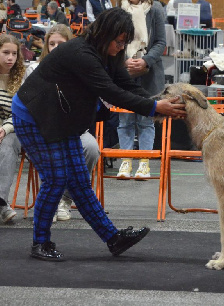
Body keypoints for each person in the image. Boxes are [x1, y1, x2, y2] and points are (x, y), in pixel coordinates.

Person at [11, 7, 186, 261]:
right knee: (56, 179)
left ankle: (114, 239)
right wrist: (153, 107)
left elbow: (123, 83)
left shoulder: (108, 51)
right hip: (33, 115)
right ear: (106, 34)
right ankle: (40, 243)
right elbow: (110, 92)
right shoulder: (80, 53)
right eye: (119, 41)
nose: (121, 47)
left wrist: (155, 103)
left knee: (80, 182)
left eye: (125, 42)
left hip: (61, 117)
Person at [23, 24, 98, 222]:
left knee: (91, 147)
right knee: (51, 151)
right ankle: (51, 201)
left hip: (74, 128)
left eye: (60, 44)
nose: (55, 47)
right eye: (52, 43)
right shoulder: (33, 70)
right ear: (46, 46)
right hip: (43, 129)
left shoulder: (80, 70)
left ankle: (65, 199)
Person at [116, 0, 166, 179]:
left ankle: (144, 164)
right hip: (124, 72)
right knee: (125, 121)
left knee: (146, 121)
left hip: (149, 74)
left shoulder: (156, 9)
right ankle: (126, 161)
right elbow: (111, 41)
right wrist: (123, 62)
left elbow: (161, 42)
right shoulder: (118, 9)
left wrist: (146, 60)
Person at [0, 34, 25, 223]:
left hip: (15, 130)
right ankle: (3, 207)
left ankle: (0, 200)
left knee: (7, 144)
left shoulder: (22, 79)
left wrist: (5, 129)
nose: (10, 58)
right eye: (5, 53)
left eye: (14, 54)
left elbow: (20, 113)